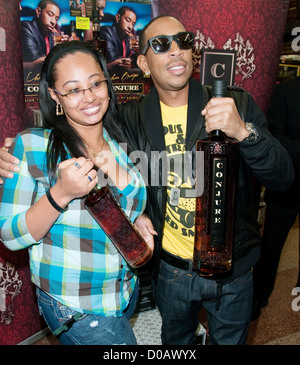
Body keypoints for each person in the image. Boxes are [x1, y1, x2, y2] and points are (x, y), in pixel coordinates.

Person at [0, 16, 295, 345]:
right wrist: (15, 152)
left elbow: (283, 177)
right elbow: (76, 142)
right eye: (160, 44)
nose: (175, 51)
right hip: (170, 270)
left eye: (183, 41)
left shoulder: (235, 105)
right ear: (143, 63)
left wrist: (244, 133)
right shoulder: (128, 120)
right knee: (176, 343)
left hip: (232, 269)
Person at [0, 40, 156, 345]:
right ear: (54, 96)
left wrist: (137, 219)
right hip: (77, 302)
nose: (88, 96)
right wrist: (60, 194)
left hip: (123, 286)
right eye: (73, 89)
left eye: (95, 83)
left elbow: (126, 200)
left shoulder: (118, 138)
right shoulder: (32, 146)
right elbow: (9, 235)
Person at [252, 76, 300, 321]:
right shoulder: (286, 91)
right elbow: (274, 137)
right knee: (271, 245)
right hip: (287, 185)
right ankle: (259, 295)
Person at [21, 0, 66, 67]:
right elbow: (35, 59)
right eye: (50, 14)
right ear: (38, 12)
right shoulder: (27, 27)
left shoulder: (51, 35)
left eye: (56, 19)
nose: (54, 22)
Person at [100, 6, 137, 71]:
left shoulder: (127, 38)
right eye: (128, 20)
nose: (130, 27)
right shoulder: (106, 31)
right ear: (118, 17)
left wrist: (137, 52)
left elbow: (132, 58)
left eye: (133, 24)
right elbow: (112, 59)